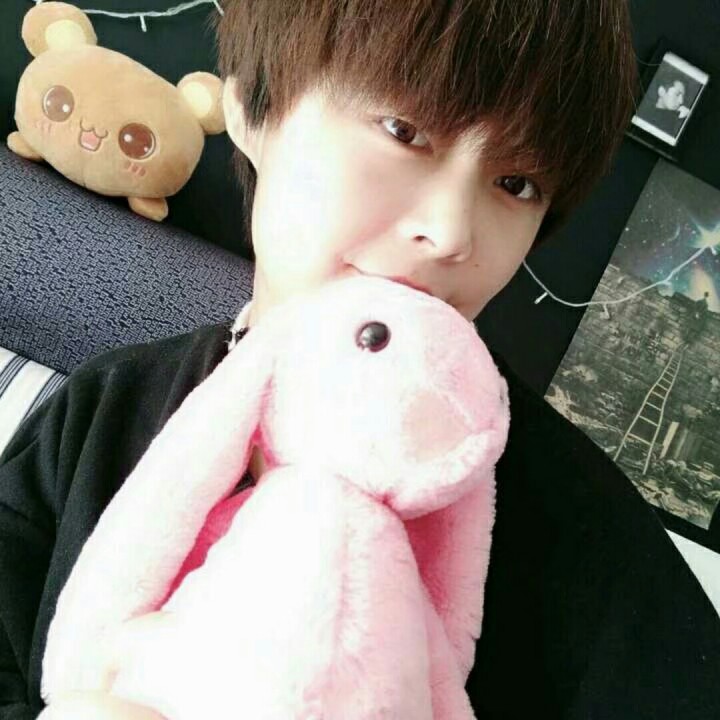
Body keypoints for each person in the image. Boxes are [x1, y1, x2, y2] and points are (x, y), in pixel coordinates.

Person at [1, 1, 719, 719]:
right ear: (252, 108)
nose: (452, 231)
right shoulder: (102, 409)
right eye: (404, 131)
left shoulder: (589, 540)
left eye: (517, 184)